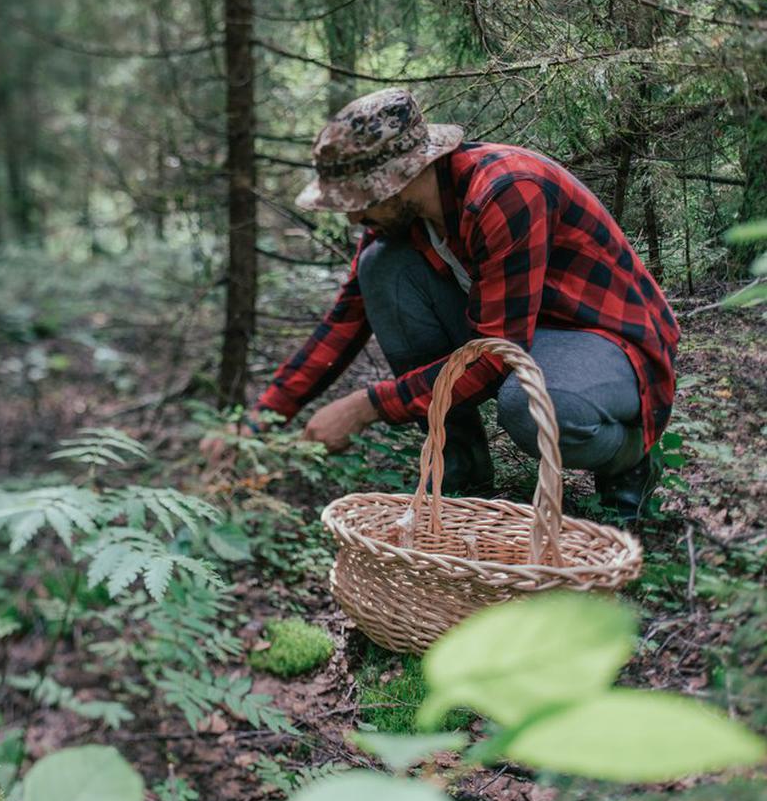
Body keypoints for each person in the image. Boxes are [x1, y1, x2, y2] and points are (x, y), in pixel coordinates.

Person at [209, 88, 680, 522]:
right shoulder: (400, 223)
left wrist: (368, 405)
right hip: (524, 333)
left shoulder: (506, 190)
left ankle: (630, 458)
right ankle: (461, 474)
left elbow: (495, 355)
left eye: (361, 199)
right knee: (381, 266)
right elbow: (341, 327)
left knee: (529, 406)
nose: (353, 215)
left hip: (610, 341)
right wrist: (260, 420)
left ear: (405, 177)